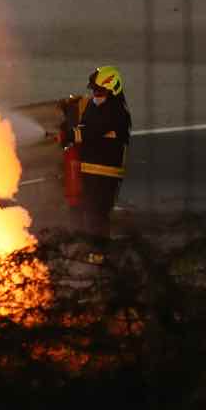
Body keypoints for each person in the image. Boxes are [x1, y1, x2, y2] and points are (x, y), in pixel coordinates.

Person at [61, 65, 131, 262]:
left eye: (100, 91)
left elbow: (92, 131)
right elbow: (85, 127)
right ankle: (87, 249)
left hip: (107, 172)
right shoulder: (95, 105)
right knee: (83, 209)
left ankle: (99, 255)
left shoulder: (117, 112)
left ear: (113, 90)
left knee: (97, 212)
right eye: (94, 90)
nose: (96, 94)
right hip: (90, 168)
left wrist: (69, 135)